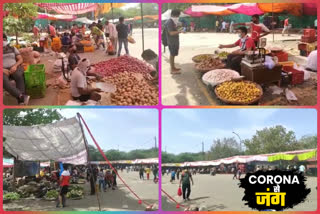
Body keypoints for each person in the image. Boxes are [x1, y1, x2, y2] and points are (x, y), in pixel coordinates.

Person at [3, 34, 29, 105]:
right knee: (3, 80)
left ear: (6, 40)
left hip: (14, 67)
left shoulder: (12, 48)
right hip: (3, 70)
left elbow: (20, 59)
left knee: (19, 76)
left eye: (3, 39)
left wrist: (15, 66)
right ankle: (21, 96)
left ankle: (21, 101)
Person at [165, 9, 183, 74]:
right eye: (178, 16)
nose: (178, 17)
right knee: (172, 55)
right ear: (174, 15)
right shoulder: (169, 22)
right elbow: (171, 33)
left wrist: (179, 28)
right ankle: (172, 69)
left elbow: (175, 30)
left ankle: (173, 67)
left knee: (173, 54)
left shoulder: (173, 22)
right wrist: (180, 31)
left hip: (174, 41)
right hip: (172, 41)